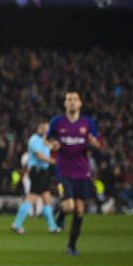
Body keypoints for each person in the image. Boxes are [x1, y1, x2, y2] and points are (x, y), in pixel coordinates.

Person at [46, 91, 101, 256]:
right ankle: (62, 212)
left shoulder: (88, 122)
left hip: (83, 172)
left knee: (79, 210)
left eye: (75, 99)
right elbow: (47, 139)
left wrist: (94, 143)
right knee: (69, 205)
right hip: (63, 171)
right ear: (65, 104)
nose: (72, 102)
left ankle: (71, 245)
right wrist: (52, 144)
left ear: (80, 103)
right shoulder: (57, 122)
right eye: (69, 99)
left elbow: (98, 143)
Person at [11, 120, 59, 235]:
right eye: (45, 127)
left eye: (48, 128)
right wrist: (51, 160)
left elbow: (51, 147)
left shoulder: (43, 139)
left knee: (46, 198)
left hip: (44, 172)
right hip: (37, 171)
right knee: (32, 196)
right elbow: (39, 155)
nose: (47, 130)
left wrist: (54, 145)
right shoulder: (34, 139)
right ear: (40, 127)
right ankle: (16, 224)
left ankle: (52, 226)